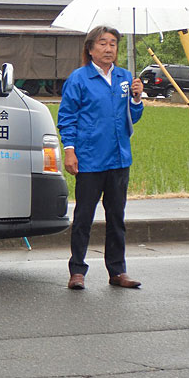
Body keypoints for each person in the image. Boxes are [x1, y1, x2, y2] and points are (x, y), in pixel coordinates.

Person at [57, 25, 144, 290]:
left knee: (116, 218)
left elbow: (131, 118)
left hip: (119, 159)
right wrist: (69, 150)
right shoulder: (79, 78)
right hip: (90, 158)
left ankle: (118, 271)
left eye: (113, 44)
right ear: (91, 48)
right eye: (103, 43)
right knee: (84, 217)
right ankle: (77, 271)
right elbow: (67, 116)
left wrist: (137, 100)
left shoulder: (124, 77)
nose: (109, 49)